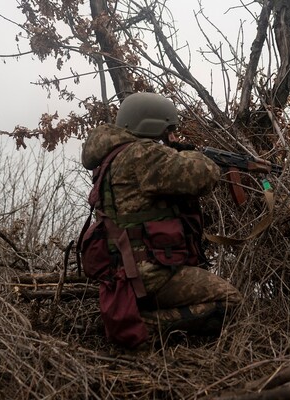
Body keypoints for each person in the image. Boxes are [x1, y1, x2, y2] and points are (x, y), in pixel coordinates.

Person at [80, 92, 242, 348]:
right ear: (152, 125)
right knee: (231, 301)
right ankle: (143, 326)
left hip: (125, 271)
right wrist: (193, 155)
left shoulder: (112, 158)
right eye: (168, 130)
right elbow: (202, 175)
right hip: (150, 275)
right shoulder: (141, 154)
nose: (170, 136)